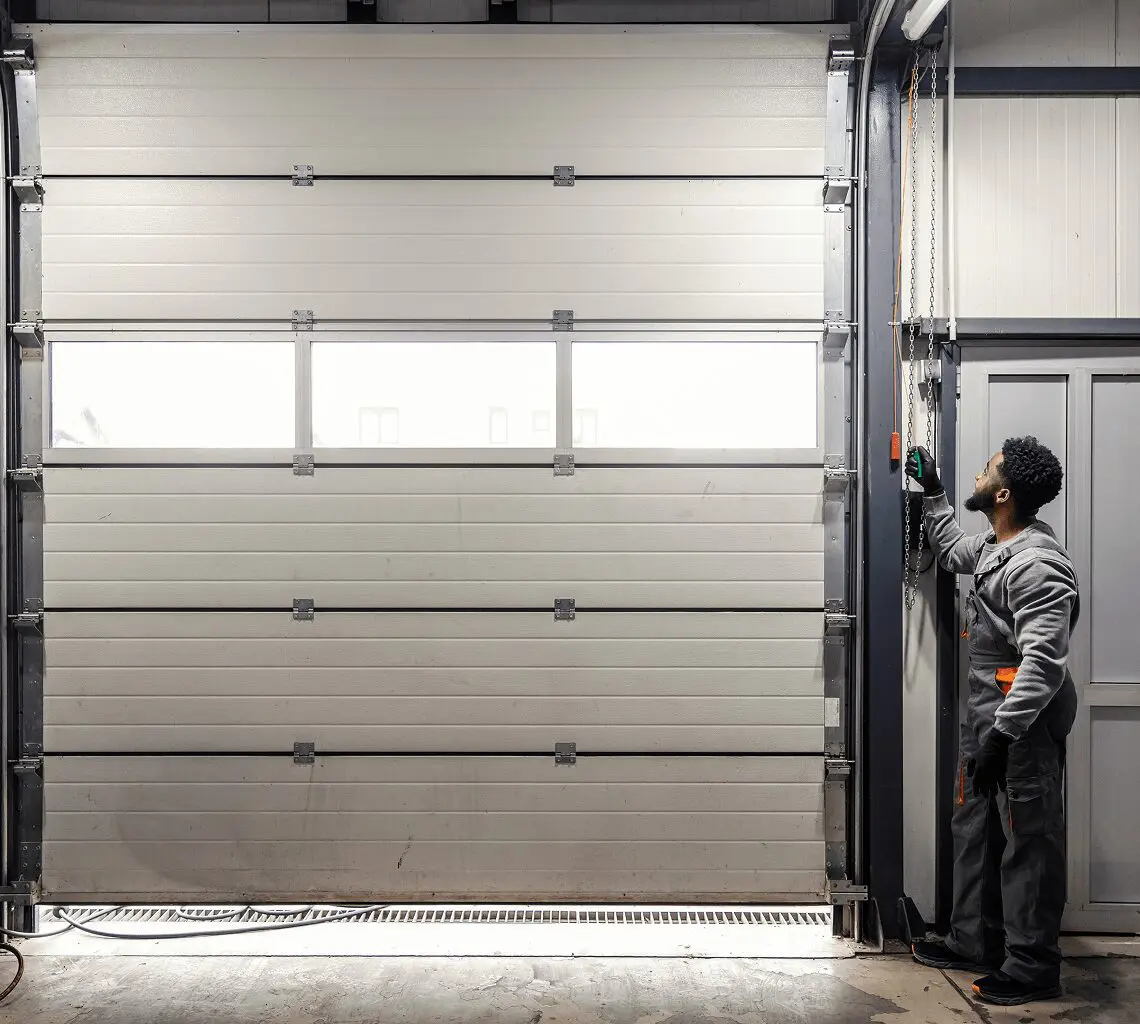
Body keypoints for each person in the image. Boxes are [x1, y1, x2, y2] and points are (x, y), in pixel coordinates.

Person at [904, 437, 1077, 1008]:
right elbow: (953, 549)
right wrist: (934, 492)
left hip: (1018, 721)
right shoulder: (996, 547)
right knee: (973, 822)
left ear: (1002, 493)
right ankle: (971, 939)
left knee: (1029, 837)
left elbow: (1044, 663)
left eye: (986, 470)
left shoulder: (1038, 566)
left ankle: (1031, 967)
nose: (978, 472)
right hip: (986, 709)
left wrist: (1003, 736)